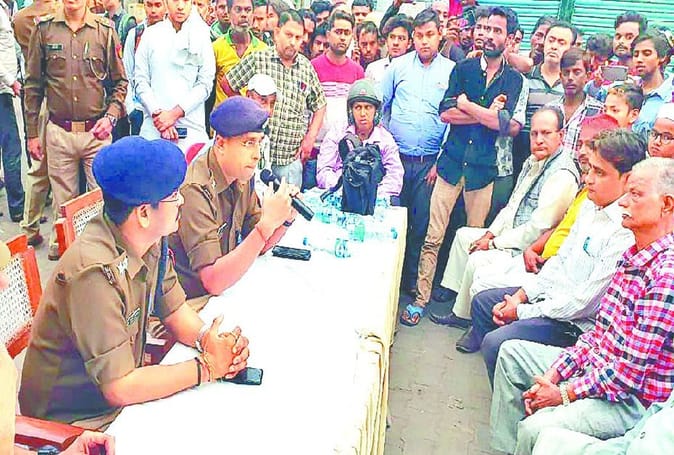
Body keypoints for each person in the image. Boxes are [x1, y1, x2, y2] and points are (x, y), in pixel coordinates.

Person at [19, 137, 250, 429]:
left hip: (118, 397)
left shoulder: (148, 239)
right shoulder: (93, 273)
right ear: (143, 213)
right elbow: (119, 386)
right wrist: (206, 367)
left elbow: (174, 310)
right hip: (75, 421)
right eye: (173, 195)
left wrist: (208, 340)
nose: (181, 200)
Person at [490, 156, 674, 455]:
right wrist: (554, 375)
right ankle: (510, 449)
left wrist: (564, 393)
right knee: (511, 355)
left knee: (537, 428)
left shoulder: (666, 276)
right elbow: (598, 337)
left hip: (631, 401)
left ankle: (527, 441)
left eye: (636, 194)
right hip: (600, 370)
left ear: (667, 205)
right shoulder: (633, 255)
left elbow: (628, 374)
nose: (623, 202)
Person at [467, 128, 644, 384]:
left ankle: (525, 393)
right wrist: (521, 296)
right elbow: (560, 260)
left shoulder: (624, 230)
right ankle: (510, 385)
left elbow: (583, 304)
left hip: (575, 324)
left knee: (497, 342)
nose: (588, 179)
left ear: (627, 180)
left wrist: (522, 311)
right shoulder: (589, 205)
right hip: (553, 299)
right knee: (483, 303)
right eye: (589, 169)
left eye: (599, 173)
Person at [399, 6, 525, 326]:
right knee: (433, 236)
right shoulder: (463, 69)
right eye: (486, 29)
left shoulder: (514, 80)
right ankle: (420, 299)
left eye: (497, 31)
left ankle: (464, 310)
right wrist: (487, 113)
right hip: (451, 164)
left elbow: (505, 125)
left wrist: (467, 105)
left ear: (509, 38)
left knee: (474, 242)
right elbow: (445, 113)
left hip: (483, 171)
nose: (489, 36)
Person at [427, 107, 579, 329]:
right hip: (513, 234)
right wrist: (489, 234)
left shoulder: (561, 174)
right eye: (534, 133)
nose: (539, 140)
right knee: (463, 236)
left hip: (527, 249)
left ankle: (464, 315)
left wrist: (493, 243)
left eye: (546, 133)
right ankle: (456, 294)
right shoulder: (533, 161)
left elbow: (536, 229)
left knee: (478, 259)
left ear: (561, 135)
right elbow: (512, 205)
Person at [24, 0, 127, 261]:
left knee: (100, 202)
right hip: (60, 133)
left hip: (96, 133)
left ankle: (98, 259)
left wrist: (111, 117)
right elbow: (33, 85)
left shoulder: (105, 31)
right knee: (63, 207)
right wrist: (32, 134)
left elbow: (120, 83)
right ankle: (68, 262)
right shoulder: (44, 29)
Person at [169, 97, 297, 299]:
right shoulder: (195, 189)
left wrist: (284, 219)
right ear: (220, 144)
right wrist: (266, 226)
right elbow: (212, 281)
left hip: (225, 289)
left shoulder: (242, 174)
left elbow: (258, 243)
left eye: (259, 143)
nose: (256, 155)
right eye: (248, 143)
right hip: (192, 302)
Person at [381, 8, 454, 296]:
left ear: (440, 36)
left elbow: (452, 120)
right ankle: (388, 279)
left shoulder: (451, 71)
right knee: (391, 220)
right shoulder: (397, 67)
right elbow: (381, 106)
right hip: (396, 159)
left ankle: (411, 280)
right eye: (419, 35)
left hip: (429, 164)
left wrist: (440, 161)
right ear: (413, 37)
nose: (424, 41)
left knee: (420, 224)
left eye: (430, 35)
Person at [223, 10, 327, 188]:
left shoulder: (306, 67)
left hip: (290, 159)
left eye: (298, 37)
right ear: (277, 33)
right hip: (256, 158)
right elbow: (228, 82)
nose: (293, 42)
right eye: (288, 35)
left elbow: (320, 104)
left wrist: (310, 138)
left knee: (289, 204)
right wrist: (246, 111)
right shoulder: (259, 59)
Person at [135, 0, 215, 152]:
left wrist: (174, 114)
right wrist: (159, 116)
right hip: (154, 128)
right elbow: (140, 81)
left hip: (191, 130)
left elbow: (205, 84)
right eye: (175, 0)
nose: (180, 6)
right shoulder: (151, 35)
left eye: (185, 1)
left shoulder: (201, 36)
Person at [12, 0, 59, 247]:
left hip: (37, 96)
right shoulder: (57, 14)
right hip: (56, 97)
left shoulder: (20, 19)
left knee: (39, 168)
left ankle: (29, 226)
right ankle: (58, 238)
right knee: (61, 172)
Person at [317, 79, 403, 201]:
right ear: (351, 111)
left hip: (375, 198)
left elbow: (395, 175)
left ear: (376, 111)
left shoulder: (385, 139)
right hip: (339, 194)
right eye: (358, 107)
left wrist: (373, 195)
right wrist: (344, 190)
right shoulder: (337, 133)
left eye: (368, 107)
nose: (363, 113)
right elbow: (324, 170)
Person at [512, 21, 573, 179]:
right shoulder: (525, 76)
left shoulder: (571, 85)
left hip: (552, 160)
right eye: (551, 40)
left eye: (561, 43)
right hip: (518, 153)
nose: (554, 46)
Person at [311, 10, 363, 152]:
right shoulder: (313, 67)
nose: (342, 37)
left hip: (346, 149)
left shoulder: (358, 71)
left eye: (347, 33)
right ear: (328, 35)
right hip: (316, 148)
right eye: (338, 32)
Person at [545, 47, 604, 158]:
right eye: (566, 73)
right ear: (560, 76)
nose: (570, 78)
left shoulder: (598, 111)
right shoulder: (549, 110)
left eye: (577, 72)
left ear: (587, 76)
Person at [122, 0, 166, 137]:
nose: (153, 10)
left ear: (166, 6)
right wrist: (131, 109)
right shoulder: (135, 34)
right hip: (140, 109)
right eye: (149, 5)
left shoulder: (175, 34)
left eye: (158, 5)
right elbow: (127, 72)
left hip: (167, 111)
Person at [213, 0, 266, 108]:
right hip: (223, 115)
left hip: (252, 116)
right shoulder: (216, 47)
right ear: (228, 13)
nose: (244, 15)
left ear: (253, 14)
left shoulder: (263, 50)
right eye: (238, 10)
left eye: (248, 10)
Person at [0, 1, 25, 223]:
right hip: (2, 91)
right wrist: (12, 81)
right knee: (11, 148)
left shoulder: (7, 6)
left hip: (4, 89)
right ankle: (17, 208)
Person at [631, 31, 674, 138]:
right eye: (635, 55)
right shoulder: (627, 88)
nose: (639, 59)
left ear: (662, 57)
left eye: (646, 54)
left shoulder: (670, 94)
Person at [365, 14, 412, 85]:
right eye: (392, 37)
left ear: (409, 43)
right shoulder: (373, 69)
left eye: (401, 38)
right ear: (386, 40)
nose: (395, 43)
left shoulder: (415, 70)